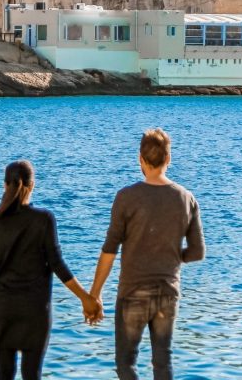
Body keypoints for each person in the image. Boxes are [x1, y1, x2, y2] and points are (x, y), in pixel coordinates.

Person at [0, 160, 102, 380]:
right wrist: (86, 298)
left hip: (3, 310)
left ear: (5, 185)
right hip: (35, 311)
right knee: (32, 374)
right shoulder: (43, 219)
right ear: (32, 185)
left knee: (4, 374)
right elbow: (58, 265)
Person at [90, 129, 205, 380]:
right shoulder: (186, 198)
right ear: (168, 159)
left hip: (133, 292)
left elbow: (109, 250)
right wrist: (174, 255)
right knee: (162, 363)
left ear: (140, 159)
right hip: (167, 291)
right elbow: (197, 252)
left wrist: (94, 295)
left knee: (126, 363)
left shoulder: (126, 197)